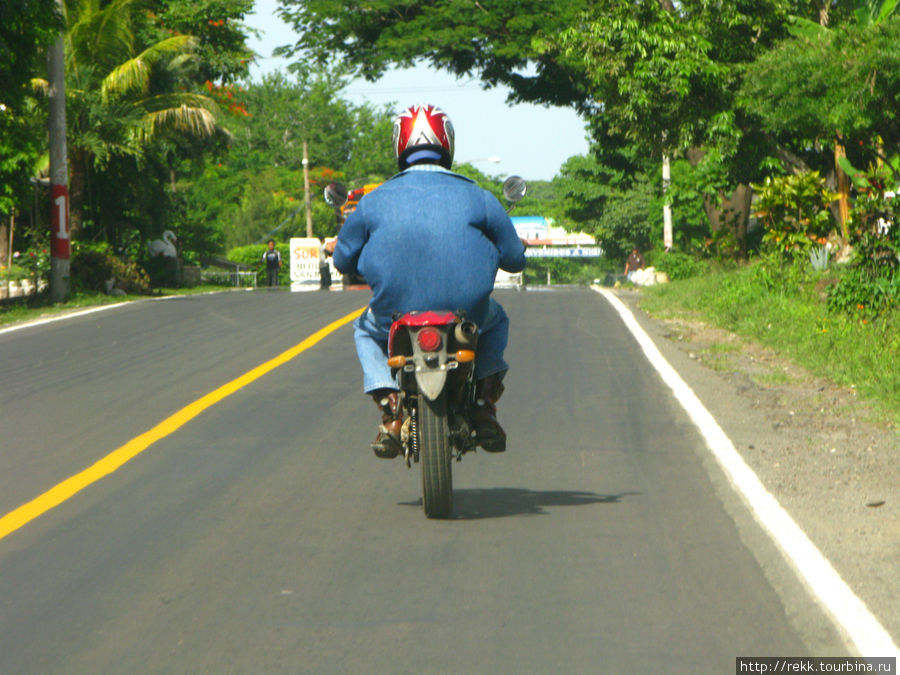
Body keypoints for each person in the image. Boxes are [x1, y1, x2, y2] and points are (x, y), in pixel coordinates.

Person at [332, 103, 527, 458]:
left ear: (399, 146)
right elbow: (514, 260)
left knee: (363, 329)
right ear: (447, 144)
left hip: (395, 313)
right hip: (467, 313)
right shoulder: (480, 197)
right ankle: (484, 403)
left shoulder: (372, 202)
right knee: (496, 320)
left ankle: (390, 408)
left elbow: (343, 261)